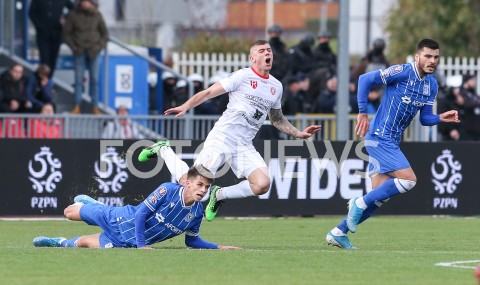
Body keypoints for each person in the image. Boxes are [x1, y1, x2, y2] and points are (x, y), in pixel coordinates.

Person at [140, 40, 321, 221]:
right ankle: (163, 149)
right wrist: (186, 106)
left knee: (262, 184)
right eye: (262, 51)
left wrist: (299, 133)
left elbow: (277, 119)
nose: (267, 53)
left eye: (269, 50)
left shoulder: (276, 86)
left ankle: (219, 195)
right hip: (222, 137)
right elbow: (209, 92)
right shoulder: (242, 76)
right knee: (192, 182)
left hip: (244, 144)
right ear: (252, 58)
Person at [325, 39, 460, 249]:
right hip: (379, 136)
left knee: (377, 199)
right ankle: (356, 203)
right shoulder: (402, 72)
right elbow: (364, 79)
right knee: (409, 180)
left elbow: (425, 119)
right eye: (427, 56)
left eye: (435, 57)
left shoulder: (430, 84)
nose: (432, 61)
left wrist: (441, 118)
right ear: (417, 57)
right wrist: (362, 112)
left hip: (392, 141)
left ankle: (338, 232)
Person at [32, 166, 240, 250]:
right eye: (200, 185)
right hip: (118, 218)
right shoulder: (167, 190)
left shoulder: (196, 213)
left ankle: (57, 242)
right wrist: (142, 245)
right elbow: (141, 213)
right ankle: (95, 205)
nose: (203, 190)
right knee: (69, 212)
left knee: (82, 244)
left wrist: (218, 247)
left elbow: (191, 240)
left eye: (207, 187)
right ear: (188, 183)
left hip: (124, 241)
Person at [63, 0, 108, 114]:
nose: (85, 4)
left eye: (88, 1)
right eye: (83, 1)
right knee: (78, 80)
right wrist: (73, 47)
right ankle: (77, 106)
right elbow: (66, 33)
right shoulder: (73, 15)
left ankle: (95, 107)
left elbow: (105, 33)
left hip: (94, 51)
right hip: (79, 51)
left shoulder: (97, 15)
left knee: (95, 80)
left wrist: (99, 46)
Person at [29, 0, 74, 77]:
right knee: (44, 60)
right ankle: (42, 82)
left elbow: (73, 9)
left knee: (53, 59)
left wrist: (65, 18)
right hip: (42, 34)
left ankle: (48, 82)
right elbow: (31, 13)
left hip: (56, 34)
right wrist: (39, 26)